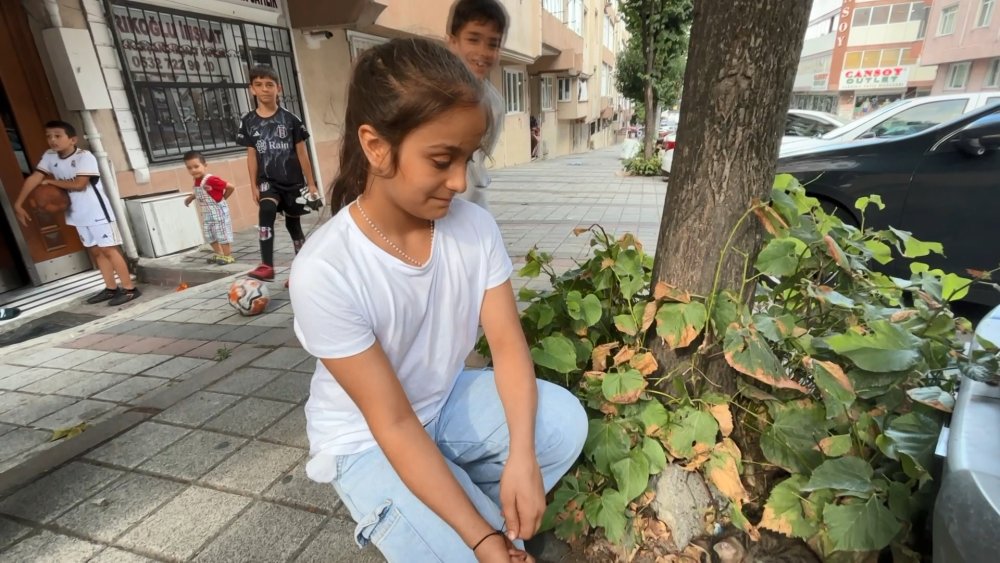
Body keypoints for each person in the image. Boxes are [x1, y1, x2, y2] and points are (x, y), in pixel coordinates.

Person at [290, 38, 587, 563]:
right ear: (376, 147)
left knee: (562, 424)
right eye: (441, 159)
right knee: (481, 547)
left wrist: (522, 456)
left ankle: (475, 522)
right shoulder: (325, 269)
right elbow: (396, 425)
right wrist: (482, 538)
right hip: (367, 439)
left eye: (467, 158)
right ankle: (481, 531)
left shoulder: (473, 228)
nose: (459, 181)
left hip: (442, 403)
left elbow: (509, 347)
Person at [13, 120, 141, 306]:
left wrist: (51, 182)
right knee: (96, 252)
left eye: (58, 136)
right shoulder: (50, 156)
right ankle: (111, 288)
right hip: (77, 213)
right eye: (49, 136)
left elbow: (80, 185)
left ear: (72, 139)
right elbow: (35, 177)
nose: (52, 140)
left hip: (97, 211)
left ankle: (130, 289)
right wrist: (18, 203)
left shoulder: (84, 157)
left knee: (109, 249)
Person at [236, 65, 319, 282]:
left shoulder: (291, 120)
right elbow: (251, 155)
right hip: (267, 181)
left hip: (292, 182)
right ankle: (267, 265)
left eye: (269, 85)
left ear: (278, 88)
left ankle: (300, 273)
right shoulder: (248, 121)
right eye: (259, 85)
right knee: (266, 210)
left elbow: (302, 153)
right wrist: (253, 185)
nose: (265, 89)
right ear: (252, 89)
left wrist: (311, 184)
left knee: (294, 225)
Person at [448, 0, 508, 212]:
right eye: (473, 39)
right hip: (427, 210)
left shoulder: (495, 105)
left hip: (470, 206)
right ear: (452, 41)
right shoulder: (432, 97)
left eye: (493, 44)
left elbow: (478, 159)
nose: (483, 52)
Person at [182, 151, 236, 265]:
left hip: (218, 211)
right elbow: (199, 192)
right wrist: (191, 197)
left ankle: (228, 256)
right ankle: (219, 253)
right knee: (209, 233)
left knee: (222, 233)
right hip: (207, 212)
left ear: (205, 165)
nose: (193, 170)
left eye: (196, 166)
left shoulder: (212, 179)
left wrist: (222, 199)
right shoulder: (196, 180)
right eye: (189, 168)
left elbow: (231, 187)